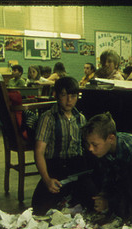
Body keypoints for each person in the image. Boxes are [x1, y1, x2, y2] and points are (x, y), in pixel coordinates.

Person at [31, 76, 93, 215]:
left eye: (73, 96)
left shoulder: (81, 118)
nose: (69, 100)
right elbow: (39, 151)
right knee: (39, 207)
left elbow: (88, 148)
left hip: (77, 168)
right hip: (55, 168)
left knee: (90, 198)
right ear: (56, 95)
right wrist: (47, 180)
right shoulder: (48, 118)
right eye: (64, 95)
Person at [81, 112, 132, 216]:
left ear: (111, 139)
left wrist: (110, 202)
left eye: (94, 144)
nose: (90, 149)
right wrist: (103, 195)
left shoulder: (130, 149)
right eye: (88, 144)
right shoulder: (103, 150)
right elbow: (109, 176)